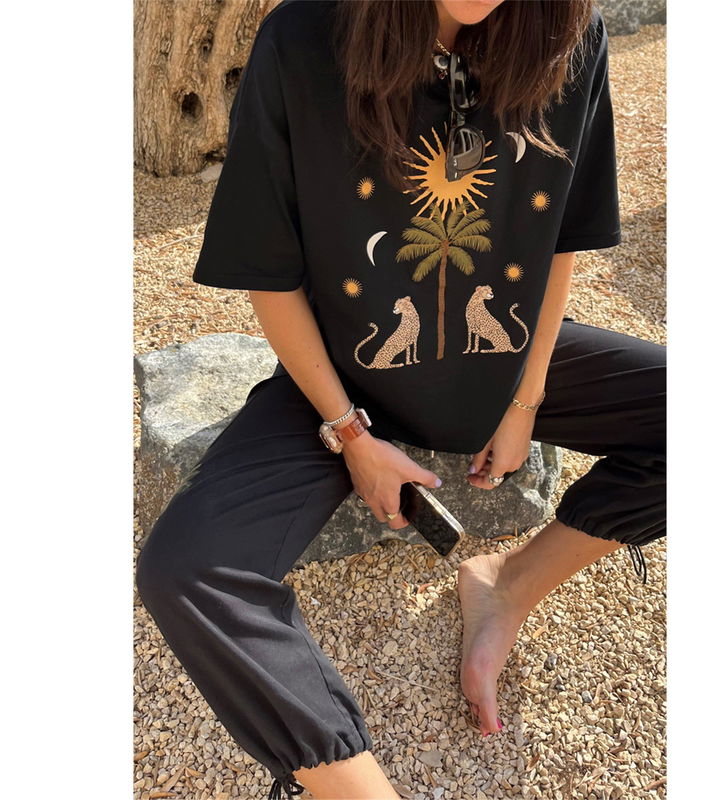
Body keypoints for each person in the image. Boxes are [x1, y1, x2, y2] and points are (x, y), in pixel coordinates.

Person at [135, 0, 666, 798]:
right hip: (345, 383)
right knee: (188, 569)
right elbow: (268, 273)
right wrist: (349, 434)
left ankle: (508, 585)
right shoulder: (303, 39)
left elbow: (562, 234)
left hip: (505, 362)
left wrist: (524, 401)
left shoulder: (566, 33)